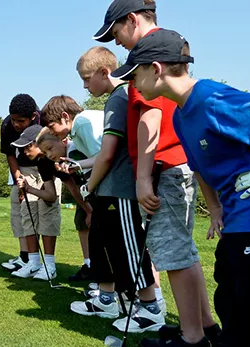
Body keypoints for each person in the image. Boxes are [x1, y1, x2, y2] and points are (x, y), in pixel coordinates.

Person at [111, 28, 250, 347]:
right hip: (236, 223)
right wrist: (215, 207)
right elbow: (199, 166)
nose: (132, 83)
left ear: (156, 69)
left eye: (135, 75)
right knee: (229, 297)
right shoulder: (180, 116)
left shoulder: (211, 99)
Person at [93, 1, 218, 346]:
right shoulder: (172, 46)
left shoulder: (146, 62)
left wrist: (142, 178)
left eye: (116, 32)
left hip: (163, 168)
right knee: (183, 252)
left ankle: (191, 336)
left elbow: (150, 120)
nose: (116, 42)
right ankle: (204, 326)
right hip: (177, 166)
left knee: (172, 254)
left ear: (131, 20)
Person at [67, 46, 165, 332]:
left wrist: (89, 186)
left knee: (128, 250)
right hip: (112, 189)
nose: (85, 85)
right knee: (107, 247)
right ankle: (108, 299)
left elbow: (108, 153)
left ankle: (150, 310)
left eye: (87, 78)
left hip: (121, 189)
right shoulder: (117, 97)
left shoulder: (119, 98)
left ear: (104, 72)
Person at [12, 125, 89, 280]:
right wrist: (29, 189)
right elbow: (51, 195)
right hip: (85, 190)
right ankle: (90, 268)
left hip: (92, 187)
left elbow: (74, 188)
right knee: (80, 221)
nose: (24, 152)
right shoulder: (43, 163)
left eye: (27, 147)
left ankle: (97, 273)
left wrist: (90, 211)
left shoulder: (63, 154)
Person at [41, 96, 103, 282]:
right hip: (101, 189)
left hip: (111, 188)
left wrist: (90, 187)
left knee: (110, 238)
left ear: (65, 116)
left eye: (52, 126)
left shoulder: (83, 123)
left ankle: (116, 291)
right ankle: (104, 285)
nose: (52, 131)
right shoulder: (79, 128)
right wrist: (78, 166)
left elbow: (104, 157)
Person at [0, 94, 45, 272]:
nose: (16, 124)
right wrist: (18, 177)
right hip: (22, 168)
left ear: (33, 116)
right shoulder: (6, 125)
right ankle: (25, 256)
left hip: (45, 168)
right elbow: (10, 154)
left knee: (42, 211)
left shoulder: (44, 120)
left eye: (21, 121)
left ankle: (44, 261)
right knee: (19, 210)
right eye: (13, 119)